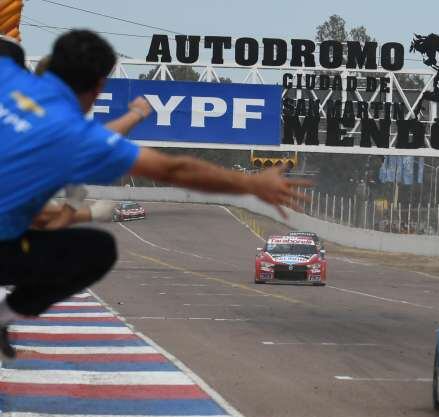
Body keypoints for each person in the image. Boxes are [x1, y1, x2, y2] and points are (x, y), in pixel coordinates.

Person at [0, 30, 307, 358]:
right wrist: (251, 184)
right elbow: (173, 170)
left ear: (50, 63)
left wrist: (134, 115)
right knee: (98, 250)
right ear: (100, 85)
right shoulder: (75, 138)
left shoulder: (7, 73)